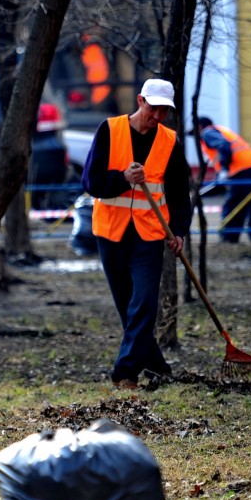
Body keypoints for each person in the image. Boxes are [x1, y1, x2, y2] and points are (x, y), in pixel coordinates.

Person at [81, 78, 192, 390]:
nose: (157, 117)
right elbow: (91, 181)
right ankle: (156, 365)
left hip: (150, 233)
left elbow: (180, 193)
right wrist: (123, 178)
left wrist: (179, 231)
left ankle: (125, 373)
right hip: (111, 232)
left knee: (144, 301)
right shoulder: (110, 129)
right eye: (153, 109)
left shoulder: (169, 141)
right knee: (127, 305)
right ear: (141, 100)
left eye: (164, 111)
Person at [196, 116, 251, 244]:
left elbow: (224, 146)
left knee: (234, 205)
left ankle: (228, 239)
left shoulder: (207, 132)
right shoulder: (222, 131)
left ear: (199, 126)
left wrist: (225, 169)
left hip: (242, 171)